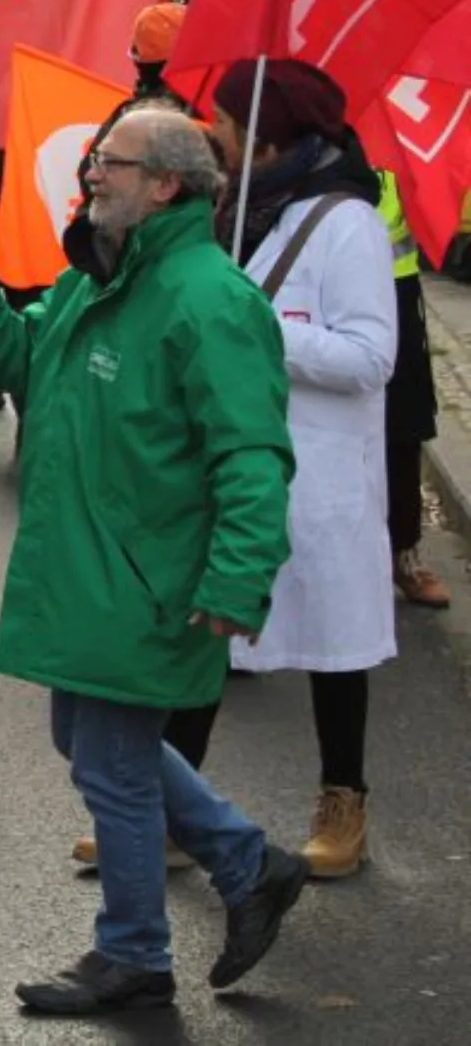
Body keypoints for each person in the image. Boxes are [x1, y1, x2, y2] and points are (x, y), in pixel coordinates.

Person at [0, 108, 309, 1014]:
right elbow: (21, 359)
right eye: (97, 160)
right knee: (91, 745)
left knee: (113, 764)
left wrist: (236, 579)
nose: (92, 174)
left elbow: (253, 455)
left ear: (166, 185)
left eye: (111, 163)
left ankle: (135, 952)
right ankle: (251, 863)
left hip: (149, 584)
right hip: (96, 577)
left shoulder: (209, 300)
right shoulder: (99, 281)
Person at [199, 62, 396, 880]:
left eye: (225, 122)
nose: (213, 134)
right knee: (203, 641)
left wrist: (262, 329)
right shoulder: (235, 212)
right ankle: (180, 811)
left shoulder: (345, 222)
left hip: (318, 474)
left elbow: (369, 356)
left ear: (265, 136)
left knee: (333, 644)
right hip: (234, 464)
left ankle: (343, 801)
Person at [383, 169, 447, 608]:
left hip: (395, 284)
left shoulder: (395, 129)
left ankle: (404, 551)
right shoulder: (311, 127)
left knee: (403, 427)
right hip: (322, 279)